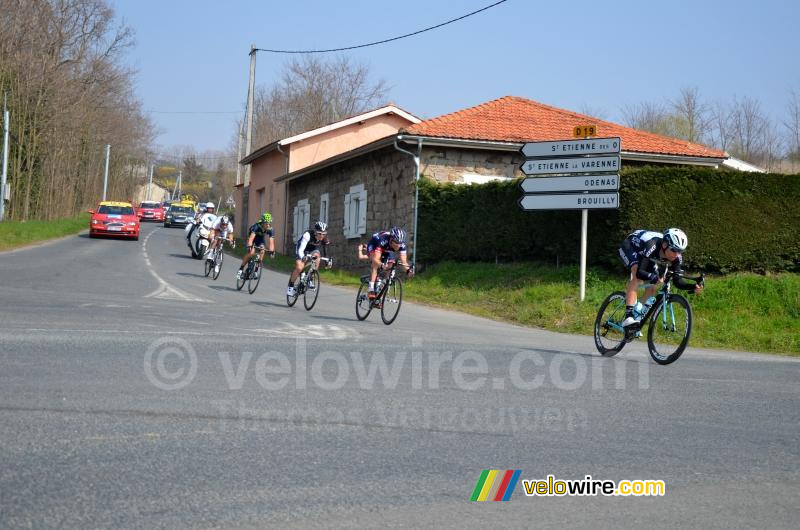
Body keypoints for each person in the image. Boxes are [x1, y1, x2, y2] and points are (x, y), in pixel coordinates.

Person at [618, 227, 703, 327]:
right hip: (630, 246)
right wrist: (653, 276)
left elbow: (677, 281)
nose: (677, 254)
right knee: (637, 273)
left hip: (648, 255)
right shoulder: (652, 244)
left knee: (652, 288)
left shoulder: (677, 257)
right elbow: (640, 273)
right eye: (674, 250)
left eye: (680, 251)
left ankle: (636, 318)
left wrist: (693, 286)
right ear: (664, 245)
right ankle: (629, 316)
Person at [357, 226, 414, 300]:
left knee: (391, 264)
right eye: (396, 242)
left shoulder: (401, 245)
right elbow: (376, 259)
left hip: (387, 249)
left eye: (400, 243)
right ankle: (371, 289)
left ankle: (380, 290)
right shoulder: (383, 240)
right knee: (375, 265)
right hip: (374, 244)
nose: (398, 245)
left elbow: (404, 261)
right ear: (391, 239)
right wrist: (381, 264)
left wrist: (408, 270)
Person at [287, 221, 331, 297]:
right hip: (302, 249)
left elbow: (324, 250)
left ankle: (309, 278)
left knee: (317, 258)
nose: (321, 236)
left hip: (313, 249)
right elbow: (301, 249)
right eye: (319, 233)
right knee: (299, 267)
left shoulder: (324, 238)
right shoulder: (307, 235)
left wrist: (327, 261)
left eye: (323, 234)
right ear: (315, 232)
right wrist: (303, 257)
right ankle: (290, 287)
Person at [237, 212, 276, 279]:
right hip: (253, 237)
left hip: (260, 239)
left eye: (269, 223)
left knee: (262, 251)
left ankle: (256, 271)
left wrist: (272, 251)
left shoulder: (271, 229)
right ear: (263, 223)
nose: (268, 225)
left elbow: (271, 242)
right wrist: (249, 246)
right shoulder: (257, 226)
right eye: (267, 223)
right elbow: (251, 238)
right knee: (251, 252)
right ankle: (240, 269)